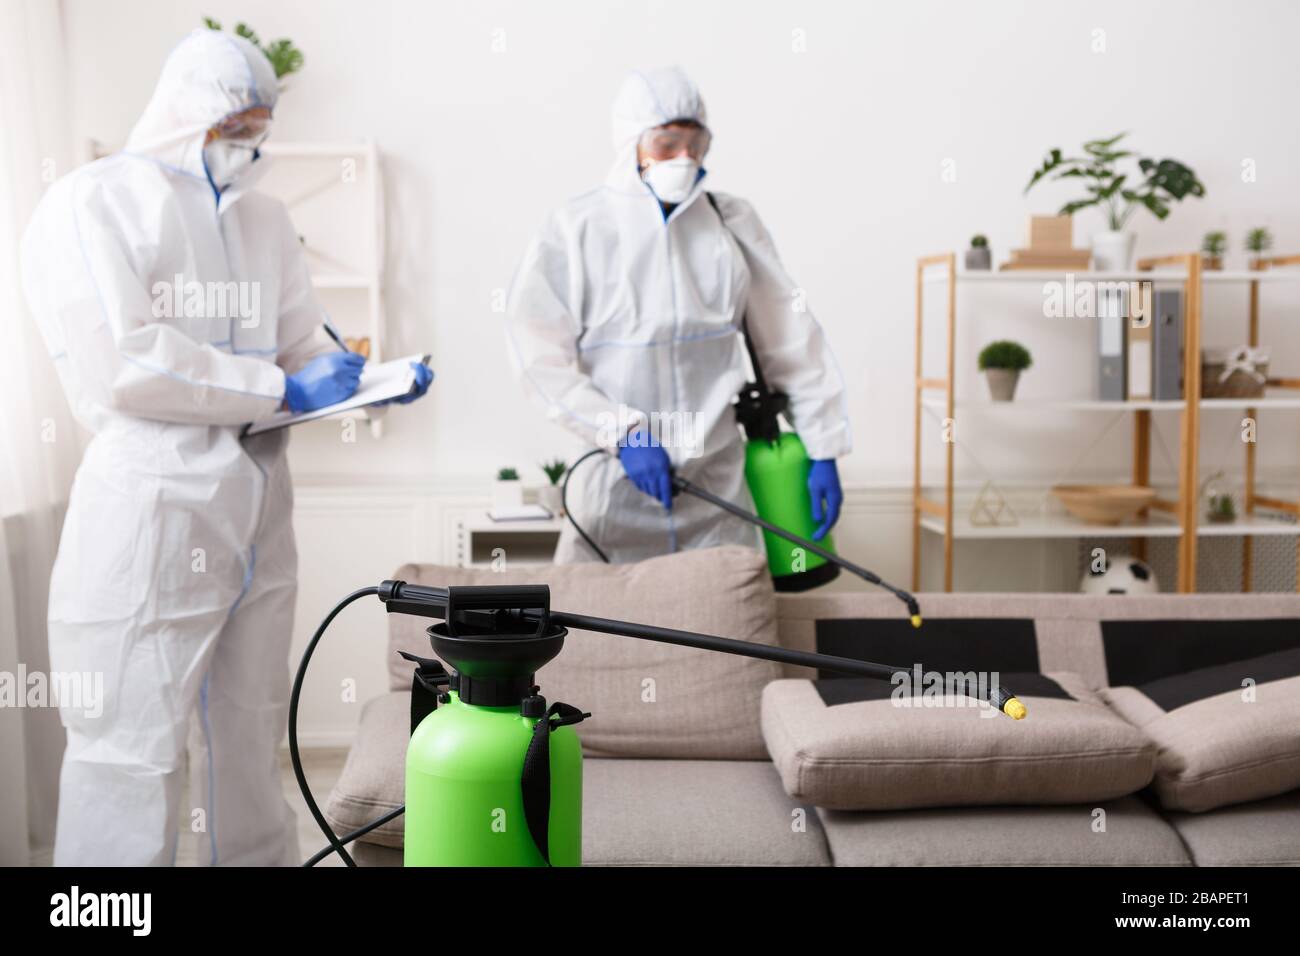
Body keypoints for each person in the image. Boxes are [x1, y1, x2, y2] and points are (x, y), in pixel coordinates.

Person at [21, 29, 429, 866]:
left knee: (245, 736)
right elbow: (124, 363)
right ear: (187, 115)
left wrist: (360, 376)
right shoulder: (92, 201)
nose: (250, 144)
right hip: (151, 514)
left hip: (256, 514)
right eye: (235, 124)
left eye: (259, 126)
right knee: (130, 747)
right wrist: (278, 387)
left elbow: (300, 346)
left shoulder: (264, 218)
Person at [506, 66, 850, 564]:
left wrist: (823, 446)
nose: (684, 158)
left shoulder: (731, 222)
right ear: (631, 144)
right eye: (667, 143)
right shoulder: (576, 229)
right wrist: (622, 433)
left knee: (726, 631)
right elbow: (536, 357)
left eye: (696, 143)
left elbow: (790, 339)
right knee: (597, 633)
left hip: (718, 490)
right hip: (615, 489)